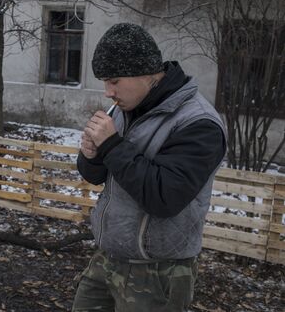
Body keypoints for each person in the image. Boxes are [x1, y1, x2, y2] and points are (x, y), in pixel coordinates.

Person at [72, 23, 226, 312]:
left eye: (114, 80)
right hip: (108, 258)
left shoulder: (198, 123)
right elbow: (97, 176)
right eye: (105, 81)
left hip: (159, 271)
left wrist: (111, 146)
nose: (108, 92)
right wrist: (91, 155)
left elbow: (164, 197)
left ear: (146, 73)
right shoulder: (124, 108)